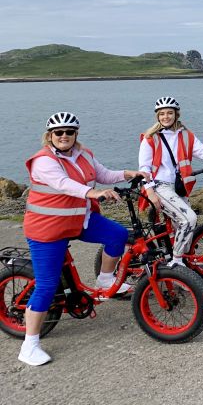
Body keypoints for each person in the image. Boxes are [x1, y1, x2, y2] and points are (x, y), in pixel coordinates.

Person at [19, 112, 149, 366]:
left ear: (76, 134)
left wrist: (129, 173)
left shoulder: (83, 154)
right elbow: (64, 184)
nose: (64, 136)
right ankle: (30, 344)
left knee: (118, 235)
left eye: (69, 132)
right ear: (50, 136)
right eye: (59, 132)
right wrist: (94, 193)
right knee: (46, 286)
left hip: (80, 220)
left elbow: (103, 173)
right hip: (48, 229)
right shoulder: (43, 161)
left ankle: (105, 278)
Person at [138, 96, 203, 267]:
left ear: (176, 114)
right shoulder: (150, 138)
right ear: (157, 116)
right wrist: (150, 192)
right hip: (159, 186)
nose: (166, 117)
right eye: (162, 114)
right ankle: (177, 263)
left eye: (169, 113)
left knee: (183, 224)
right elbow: (144, 169)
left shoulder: (185, 135)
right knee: (188, 219)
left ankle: (180, 258)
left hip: (178, 186)